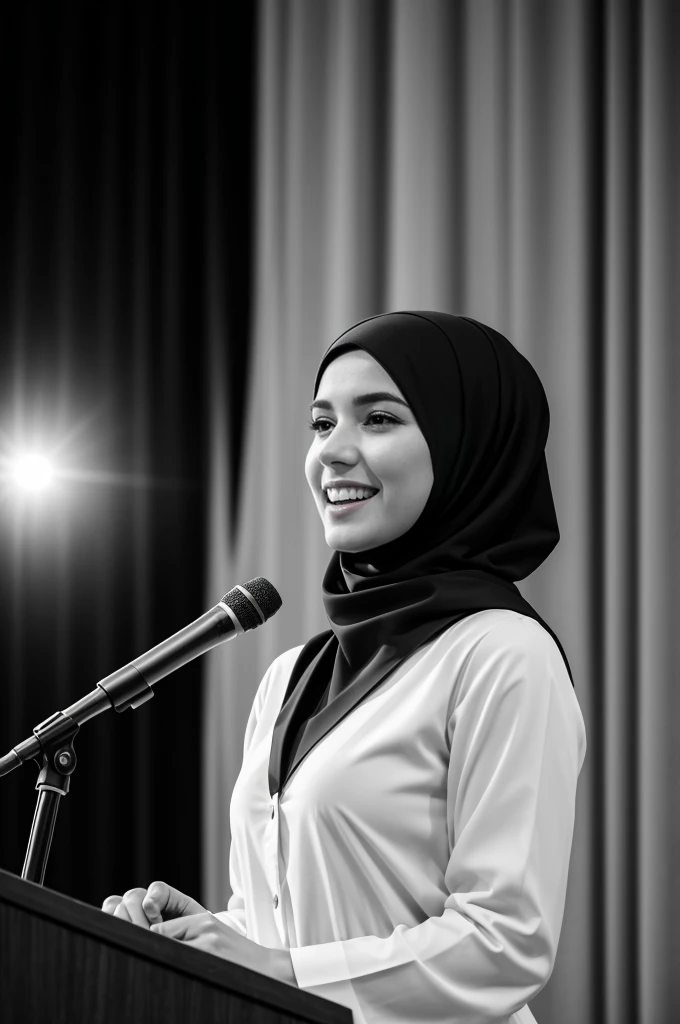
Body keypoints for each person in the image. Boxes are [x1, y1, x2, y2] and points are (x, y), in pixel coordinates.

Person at [103, 311, 587, 1024]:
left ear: (467, 447)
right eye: (322, 423)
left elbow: (504, 943)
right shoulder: (291, 675)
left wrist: (280, 969)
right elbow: (290, 931)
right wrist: (205, 937)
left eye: (380, 419)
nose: (333, 451)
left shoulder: (502, 654)